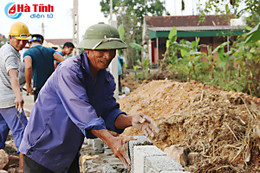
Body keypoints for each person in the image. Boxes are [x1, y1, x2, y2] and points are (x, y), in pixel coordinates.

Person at [20, 22, 159, 173]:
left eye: (112, 50)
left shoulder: (105, 80)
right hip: (43, 151)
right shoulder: (69, 72)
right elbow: (84, 114)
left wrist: (132, 120)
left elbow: (109, 114)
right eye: (102, 50)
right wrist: (111, 141)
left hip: (68, 153)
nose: (108, 56)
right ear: (87, 50)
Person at [0, 21, 30, 173]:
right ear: (10, 37)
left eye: (24, 40)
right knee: (23, 131)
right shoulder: (10, 53)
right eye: (18, 39)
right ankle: (22, 168)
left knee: (1, 129)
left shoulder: (5, 49)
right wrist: (18, 95)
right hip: (9, 100)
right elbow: (13, 75)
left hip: (1, 99)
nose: (21, 43)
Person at [23, 34, 65, 101]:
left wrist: (28, 86)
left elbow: (28, 67)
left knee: (40, 109)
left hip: (38, 88)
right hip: (52, 86)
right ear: (41, 42)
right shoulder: (50, 51)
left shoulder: (28, 53)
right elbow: (65, 62)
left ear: (29, 43)